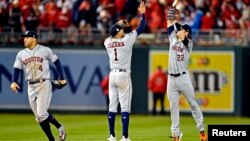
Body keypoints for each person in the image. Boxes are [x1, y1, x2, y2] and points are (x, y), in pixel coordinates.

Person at [10, 30, 67, 141]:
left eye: (27, 37)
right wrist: (14, 81)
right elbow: (17, 69)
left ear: (34, 39)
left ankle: (59, 126)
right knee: (39, 117)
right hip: (30, 86)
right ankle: (52, 139)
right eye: (24, 37)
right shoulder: (21, 54)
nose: (24, 39)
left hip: (43, 84)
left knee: (41, 113)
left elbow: (57, 62)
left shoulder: (45, 50)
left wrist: (62, 78)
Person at [104, 2, 146, 141]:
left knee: (112, 107)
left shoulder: (107, 42)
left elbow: (113, 33)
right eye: (120, 29)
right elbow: (141, 27)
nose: (123, 30)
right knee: (125, 108)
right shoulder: (127, 39)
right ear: (117, 32)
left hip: (112, 75)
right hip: (123, 75)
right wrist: (143, 14)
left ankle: (111, 136)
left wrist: (119, 24)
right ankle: (125, 137)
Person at [166, 7, 207, 141]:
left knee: (193, 104)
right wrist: (172, 15)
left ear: (186, 32)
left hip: (183, 78)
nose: (178, 30)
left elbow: (183, 38)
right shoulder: (172, 38)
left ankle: (201, 131)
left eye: (181, 29)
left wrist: (176, 19)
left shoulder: (188, 43)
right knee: (173, 108)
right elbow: (169, 24)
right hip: (171, 78)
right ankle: (176, 136)